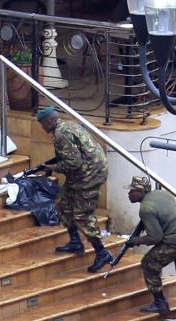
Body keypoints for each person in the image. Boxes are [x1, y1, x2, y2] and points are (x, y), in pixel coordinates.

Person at [36, 107, 112, 273]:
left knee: (82, 215)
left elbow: (73, 163)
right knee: (62, 203)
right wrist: (49, 165)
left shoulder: (61, 135)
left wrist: (53, 167)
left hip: (88, 175)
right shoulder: (69, 126)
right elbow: (71, 155)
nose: (42, 128)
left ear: (48, 121)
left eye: (42, 123)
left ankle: (102, 252)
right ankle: (75, 242)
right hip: (85, 172)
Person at [125, 176, 176, 316]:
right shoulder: (161, 193)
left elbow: (155, 237)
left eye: (132, 191)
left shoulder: (145, 208)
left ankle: (160, 303)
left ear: (140, 191)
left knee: (149, 263)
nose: (129, 194)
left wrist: (135, 241)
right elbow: (163, 214)